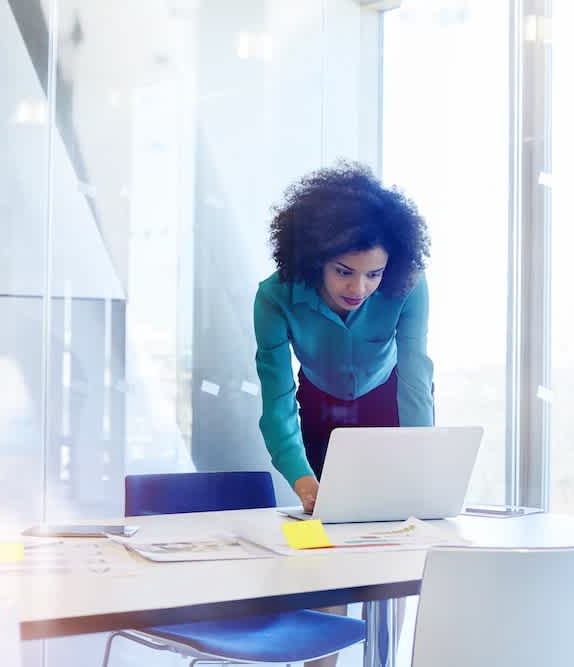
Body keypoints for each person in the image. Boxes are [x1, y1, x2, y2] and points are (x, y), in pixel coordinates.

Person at [253, 161, 432, 667]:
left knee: (389, 546)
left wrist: (419, 461)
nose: (359, 288)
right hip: (319, 411)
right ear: (314, 259)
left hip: (388, 403)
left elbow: (416, 380)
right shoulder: (274, 296)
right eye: (344, 272)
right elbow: (277, 397)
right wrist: (299, 474)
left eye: (374, 274)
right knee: (322, 551)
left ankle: (382, 659)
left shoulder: (409, 287)